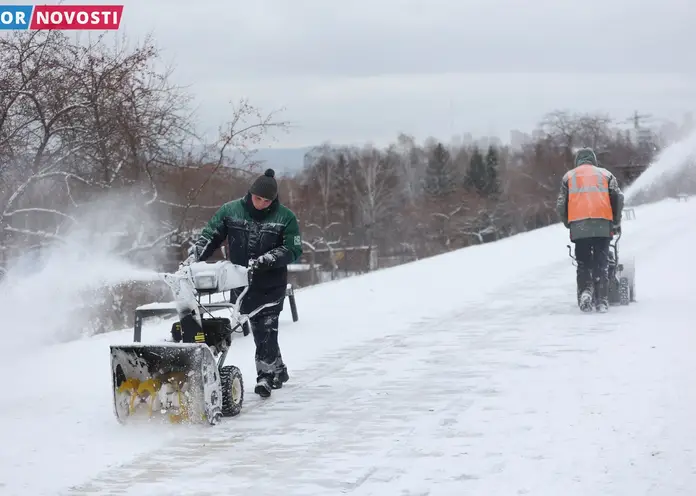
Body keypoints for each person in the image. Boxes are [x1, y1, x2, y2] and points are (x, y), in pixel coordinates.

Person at [185, 168, 303, 397]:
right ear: (250, 194)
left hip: (271, 283)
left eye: (266, 201)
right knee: (258, 327)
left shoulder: (285, 217)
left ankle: (265, 376)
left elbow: (293, 248)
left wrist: (268, 260)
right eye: (257, 198)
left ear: (273, 200)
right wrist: (194, 257)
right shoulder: (230, 211)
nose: (260, 204)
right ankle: (279, 370)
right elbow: (210, 236)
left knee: (265, 328)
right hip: (240, 282)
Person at [557, 147, 624, 313]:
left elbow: (560, 204)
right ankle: (602, 300)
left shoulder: (569, 177)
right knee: (602, 263)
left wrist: (568, 223)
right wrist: (615, 221)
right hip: (602, 224)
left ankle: (586, 292)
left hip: (579, 227)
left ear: (578, 161)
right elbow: (618, 197)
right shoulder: (606, 174)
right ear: (593, 160)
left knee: (583, 263)